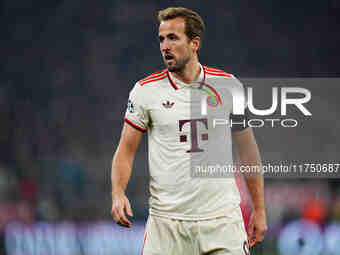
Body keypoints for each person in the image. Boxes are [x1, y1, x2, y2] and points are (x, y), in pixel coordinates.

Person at [111, 7, 267, 255]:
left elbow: (248, 151)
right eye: (161, 39)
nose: (165, 46)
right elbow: (126, 150)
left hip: (222, 222)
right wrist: (118, 193)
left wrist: (259, 209)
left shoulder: (228, 86)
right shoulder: (145, 91)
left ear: (194, 43)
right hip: (167, 226)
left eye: (173, 38)